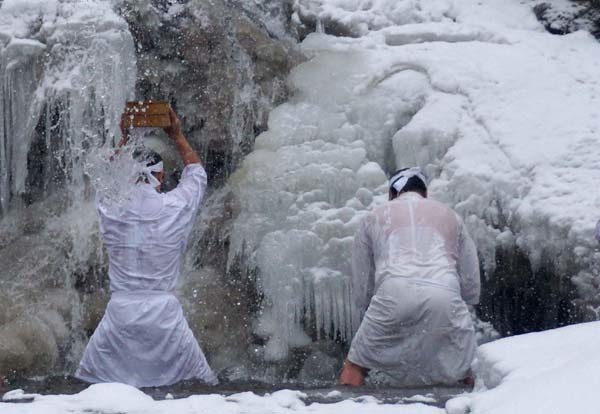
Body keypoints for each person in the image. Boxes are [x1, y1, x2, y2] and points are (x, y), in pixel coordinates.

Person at [75, 108, 218, 387]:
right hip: (163, 315)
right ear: (161, 177)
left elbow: (106, 177)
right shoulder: (176, 207)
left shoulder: (110, 207)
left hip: (120, 314)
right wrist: (175, 134)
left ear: (127, 176)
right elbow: (197, 174)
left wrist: (125, 137)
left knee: (90, 386)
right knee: (201, 387)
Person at [339, 167, 480, 386]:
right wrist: (465, 303)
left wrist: (369, 308)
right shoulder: (450, 215)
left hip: (393, 293)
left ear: (392, 194)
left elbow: (363, 280)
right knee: (465, 369)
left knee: (356, 365)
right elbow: (470, 278)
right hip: (444, 293)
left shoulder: (374, 216)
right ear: (425, 193)